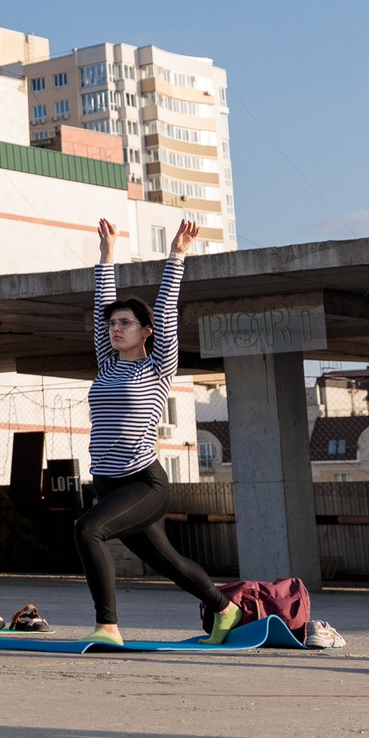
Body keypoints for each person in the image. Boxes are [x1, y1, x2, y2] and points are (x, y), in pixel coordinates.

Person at [74, 216, 237, 647]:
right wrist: (107, 255)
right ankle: (224, 607)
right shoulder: (107, 365)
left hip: (144, 482)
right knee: (169, 563)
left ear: (146, 332)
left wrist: (177, 256)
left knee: (87, 530)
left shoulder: (157, 367)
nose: (116, 328)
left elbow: (165, 310)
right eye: (113, 324)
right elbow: (101, 307)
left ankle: (108, 626)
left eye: (125, 323)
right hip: (106, 482)